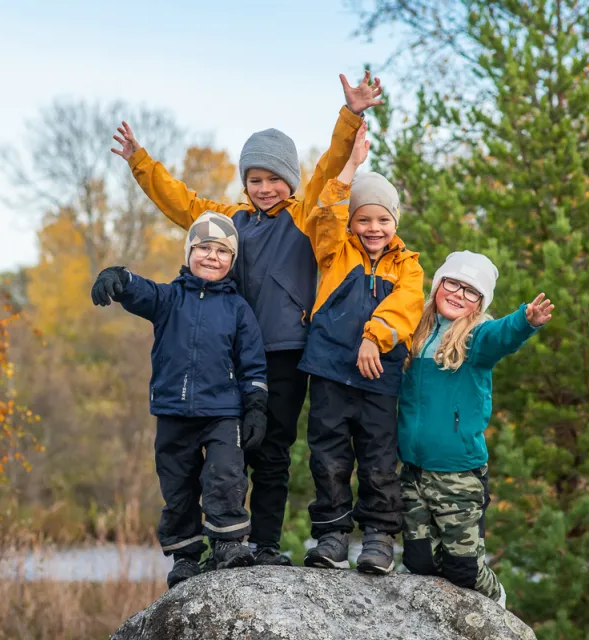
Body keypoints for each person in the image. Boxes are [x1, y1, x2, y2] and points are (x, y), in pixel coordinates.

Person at [108, 72, 384, 566]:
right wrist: (140, 162)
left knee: (271, 451)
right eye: (255, 179)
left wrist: (352, 114)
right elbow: (182, 203)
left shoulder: (302, 213)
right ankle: (224, 544)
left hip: (281, 353)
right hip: (226, 356)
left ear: (291, 182)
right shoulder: (229, 219)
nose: (265, 188)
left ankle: (266, 545)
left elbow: (330, 164)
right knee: (225, 454)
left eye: (274, 179)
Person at [89, 213, 268, 588]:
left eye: (222, 251)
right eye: (204, 247)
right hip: (173, 411)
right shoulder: (170, 298)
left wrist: (255, 407)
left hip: (223, 413)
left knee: (226, 475)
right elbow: (142, 292)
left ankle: (228, 544)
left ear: (232, 261)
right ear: (189, 252)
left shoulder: (239, 310)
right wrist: (119, 278)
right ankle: (186, 555)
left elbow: (252, 365)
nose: (212, 256)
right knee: (178, 484)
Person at [298, 121, 423, 574]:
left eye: (383, 219)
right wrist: (351, 165)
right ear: (352, 223)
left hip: (379, 376)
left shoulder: (407, 266)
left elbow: (407, 307)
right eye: (364, 219)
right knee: (329, 456)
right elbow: (326, 209)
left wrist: (374, 336)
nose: (373, 228)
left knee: (378, 458)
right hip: (330, 370)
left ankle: (377, 539)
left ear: (395, 222)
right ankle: (332, 535)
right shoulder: (335, 251)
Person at [397, 250, 556, 604]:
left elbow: (503, 336)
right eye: (452, 283)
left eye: (472, 291)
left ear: (481, 302)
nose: (458, 294)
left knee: (464, 569)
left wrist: (525, 321)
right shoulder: (415, 330)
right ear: (438, 285)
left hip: (458, 473)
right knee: (418, 560)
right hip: (413, 470)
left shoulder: (476, 338)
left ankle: (494, 598)